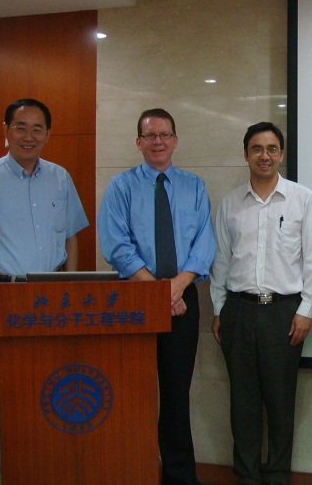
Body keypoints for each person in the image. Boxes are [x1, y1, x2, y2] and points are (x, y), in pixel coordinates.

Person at [0, 98, 89, 485]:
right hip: (5, 297)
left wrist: (71, 293)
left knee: (54, 390)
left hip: (52, 297)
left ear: (48, 133)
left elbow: (72, 238)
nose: (29, 136)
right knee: (7, 401)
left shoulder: (60, 178)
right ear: (6, 130)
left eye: (37, 128)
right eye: (20, 127)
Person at [97, 108, 215, 485]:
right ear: (139, 142)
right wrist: (158, 290)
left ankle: (179, 478)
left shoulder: (194, 186)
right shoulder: (120, 187)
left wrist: (176, 286)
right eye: (150, 135)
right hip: (135, 299)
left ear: (175, 140)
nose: (158, 141)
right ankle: (136, 472)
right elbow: (116, 246)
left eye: (165, 134)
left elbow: (204, 244)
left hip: (183, 301)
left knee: (177, 395)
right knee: (134, 394)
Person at [210, 122, 312, 485]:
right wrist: (219, 310)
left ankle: (276, 474)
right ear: (246, 154)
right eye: (257, 148)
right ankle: (246, 474)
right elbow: (221, 262)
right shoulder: (230, 204)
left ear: (281, 154)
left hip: (284, 313)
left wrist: (306, 311)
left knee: (280, 401)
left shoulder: (303, 199)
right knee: (242, 401)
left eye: (272, 149)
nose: (265, 156)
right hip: (238, 311)